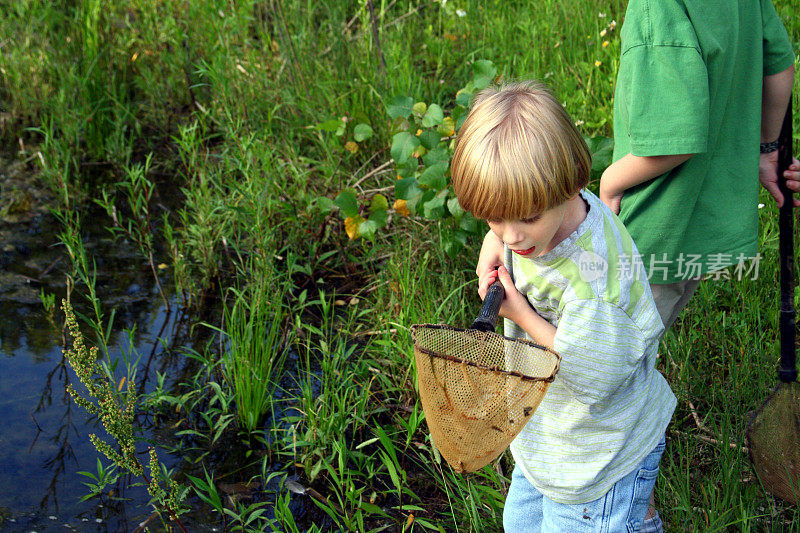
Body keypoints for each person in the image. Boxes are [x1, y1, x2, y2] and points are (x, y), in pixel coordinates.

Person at [450, 81, 676, 533]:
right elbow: (510, 224)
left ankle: (638, 513)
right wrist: (492, 241)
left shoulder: (593, 287)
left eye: (525, 218)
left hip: (599, 458)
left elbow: (593, 373)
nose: (512, 236)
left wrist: (522, 317)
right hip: (555, 438)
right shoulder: (546, 214)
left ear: (570, 182)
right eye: (495, 218)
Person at [599, 0, 798, 332]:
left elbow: (673, 143)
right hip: (705, 224)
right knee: (641, 349)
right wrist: (766, 150)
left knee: (609, 359)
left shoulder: (658, 6)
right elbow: (780, 65)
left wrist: (610, 181)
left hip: (654, 226)